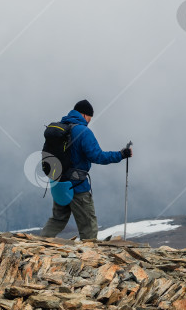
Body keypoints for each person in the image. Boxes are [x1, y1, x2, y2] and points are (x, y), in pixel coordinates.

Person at [41, 100, 132, 240]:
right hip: (77, 187)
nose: (89, 121)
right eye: (90, 117)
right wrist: (121, 154)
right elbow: (98, 156)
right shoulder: (83, 131)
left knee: (57, 219)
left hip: (57, 182)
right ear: (84, 115)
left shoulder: (60, 128)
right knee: (88, 225)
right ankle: (88, 255)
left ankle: (39, 244)